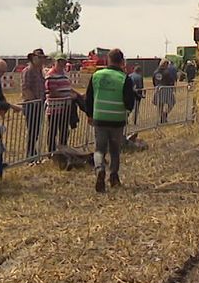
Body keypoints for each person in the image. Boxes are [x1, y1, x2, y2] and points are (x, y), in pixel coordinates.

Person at [84, 48, 136, 192]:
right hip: (117, 120)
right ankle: (113, 176)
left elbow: (89, 97)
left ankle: (100, 169)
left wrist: (89, 114)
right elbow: (129, 101)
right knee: (114, 150)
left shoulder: (96, 75)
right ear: (121, 61)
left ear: (108, 60)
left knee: (99, 149)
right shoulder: (124, 78)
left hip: (100, 119)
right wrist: (127, 111)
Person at [45, 56, 78, 152]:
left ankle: (63, 149)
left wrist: (78, 95)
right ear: (55, 62)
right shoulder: (51, 75)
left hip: (65, 108)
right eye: (59, 61)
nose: (62, 64)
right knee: (53, 131)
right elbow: (52, 92)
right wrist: (67, 97)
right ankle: (51, 151)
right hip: (54, 108)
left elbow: (68, 88)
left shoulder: (65, 73)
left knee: (64, 130)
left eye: (63, 61)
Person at [20, 49, 47, 159]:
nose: (41, 60)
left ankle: (33, 151)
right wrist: (35, 101)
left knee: (36, 129)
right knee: (32, 129)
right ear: (33, 58)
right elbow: (26, 88)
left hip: (39, 104)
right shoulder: (28, 71)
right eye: (39, 57)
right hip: (31, 105)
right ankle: (30, 153)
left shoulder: (40, 71)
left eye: (42, 58)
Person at [153, 59, 176, 124]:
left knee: (160, 104)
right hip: (166, 89)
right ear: (165, 64)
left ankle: (162, 116)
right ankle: (165, 114)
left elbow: (154, 82)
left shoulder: (155, 72)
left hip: (158, 89)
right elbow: (171, 81)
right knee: (172, 103)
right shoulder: (167, 72)